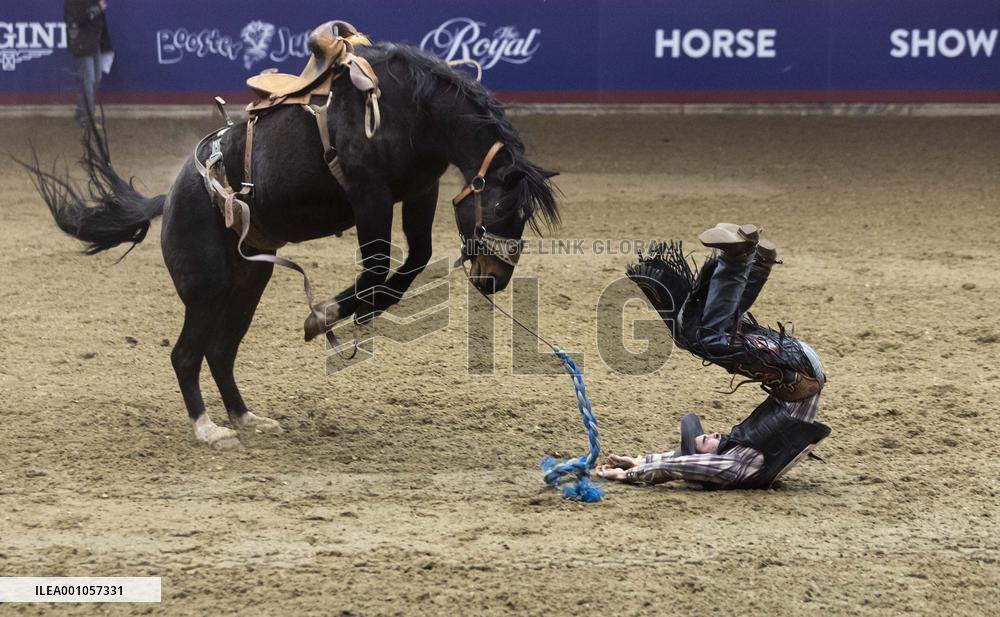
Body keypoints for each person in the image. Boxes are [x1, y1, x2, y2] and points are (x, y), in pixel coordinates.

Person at [599, 224, 831, 490]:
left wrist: (640, 461)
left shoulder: (735, 459)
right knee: (707, 339)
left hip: (795, 367)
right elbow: (682, 466)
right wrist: (629, 475)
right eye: (703, 441)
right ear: (705, 457)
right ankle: (739, 259)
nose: (709, 434)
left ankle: (755, 263)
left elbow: (680, 460)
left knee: (693, 336)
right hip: (796, 371)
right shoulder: (732, 468)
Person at [64, 0, 112, 129]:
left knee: (96, 79)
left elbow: (99, 22)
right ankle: (87, 119)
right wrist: (97, 8)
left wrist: (105, 43)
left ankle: (81, 111)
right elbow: (78, 18)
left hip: (93, 42)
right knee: (89, 81)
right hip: (81, 43)